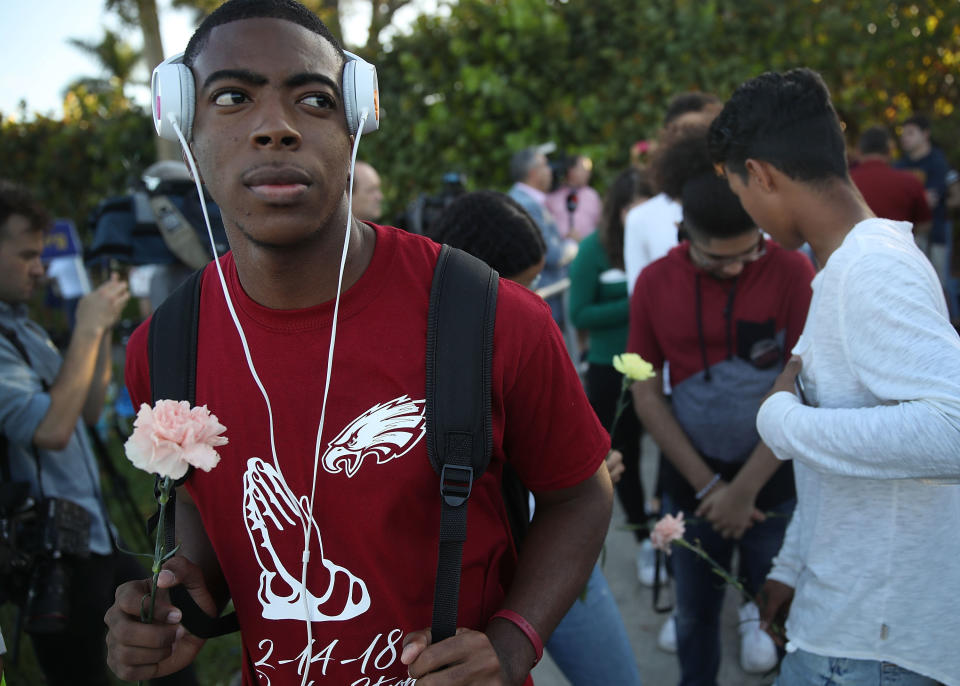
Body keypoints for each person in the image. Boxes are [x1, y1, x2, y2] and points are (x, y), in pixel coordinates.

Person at [104, 3, 613, 686]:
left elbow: (580, 496)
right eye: (232, 97)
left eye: (313, 100)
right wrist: (188, 596)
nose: (276, 128)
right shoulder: (164, 346)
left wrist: (514, 641)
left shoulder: (488, 316)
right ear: (185, 125)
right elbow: (203, 499)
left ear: (355, 125)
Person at [709, 67, 960, 686]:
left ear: (762, 174)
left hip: (873, 648)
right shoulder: (848, 265)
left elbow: (952, 427)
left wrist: (784, 421)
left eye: (743, 194)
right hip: (847, 624)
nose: (753, 215)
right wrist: (794, 565)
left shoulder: (870, 268)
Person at [429, 190, 643, 686]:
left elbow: (573, 483)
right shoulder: (438, 354)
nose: (535, 301)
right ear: (479, 285)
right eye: (522, 286)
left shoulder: (524, 337)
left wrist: (583, 471)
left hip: (550, 559)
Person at [628, 126, 814, 685]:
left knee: (783, 619)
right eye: (717, 260)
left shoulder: (790, 270)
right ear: (686, 235)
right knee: (693, 618)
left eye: (748, 253)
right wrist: (712, 489)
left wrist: (746, 489)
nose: (736, 268)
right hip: (691, 485)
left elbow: (803, 382)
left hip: (773, 482)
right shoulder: (656, 283)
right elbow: (645, 390)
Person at [0, 181, 196, 686]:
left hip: (91, 533)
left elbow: (85, 411)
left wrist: (102, 326)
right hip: (50, 554)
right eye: (25, 255)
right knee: (81, 673)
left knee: (168, 654)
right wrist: (86, 329)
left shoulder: (22, 328)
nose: (39, 269)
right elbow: (50, 429)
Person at [568, 167, 652, 576]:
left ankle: (669, 536)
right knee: (627, 460)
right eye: (632, 210)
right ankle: (645, 543)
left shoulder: (661, 244)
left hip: (659, 367)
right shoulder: (594, 250)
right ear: (618, 211)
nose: (639, 219)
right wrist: (636, 301)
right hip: (611, 370)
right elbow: (578, 312)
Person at [624, 92, 721, 296]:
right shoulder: (640, 219)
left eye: (704, 130)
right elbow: (639, 298)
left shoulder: (750, 203)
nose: (696, 142)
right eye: (687, 132)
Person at [508, 146, 578, 331]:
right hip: (549, 299)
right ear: (533, 172)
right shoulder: (528, 204)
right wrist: (574, 245)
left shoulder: (517, 198)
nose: (550, 171)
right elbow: (552, 254)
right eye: (546, 165)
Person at [895, 114, 953, 286]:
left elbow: (933, 199)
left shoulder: (938, 162)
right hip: (905, 239)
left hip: (935, 235)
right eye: (903, 134)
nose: (905, 138)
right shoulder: (899, 166)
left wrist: (909, 200)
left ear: (925, 134)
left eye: (910, 133)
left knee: (938, 285)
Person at [850, 125, 930, 234]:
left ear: (858, 152)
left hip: (854, 248)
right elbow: (924, 225)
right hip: (900, 247)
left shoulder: (845, 183)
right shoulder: (910, 182)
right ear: (889, 152)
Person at [545, 154, 603, 241]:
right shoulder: (553, 196)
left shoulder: (592, 196)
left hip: (586, 249)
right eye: (583, 169)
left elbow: (601, 224)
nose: (588, 173)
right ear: (571, 170)